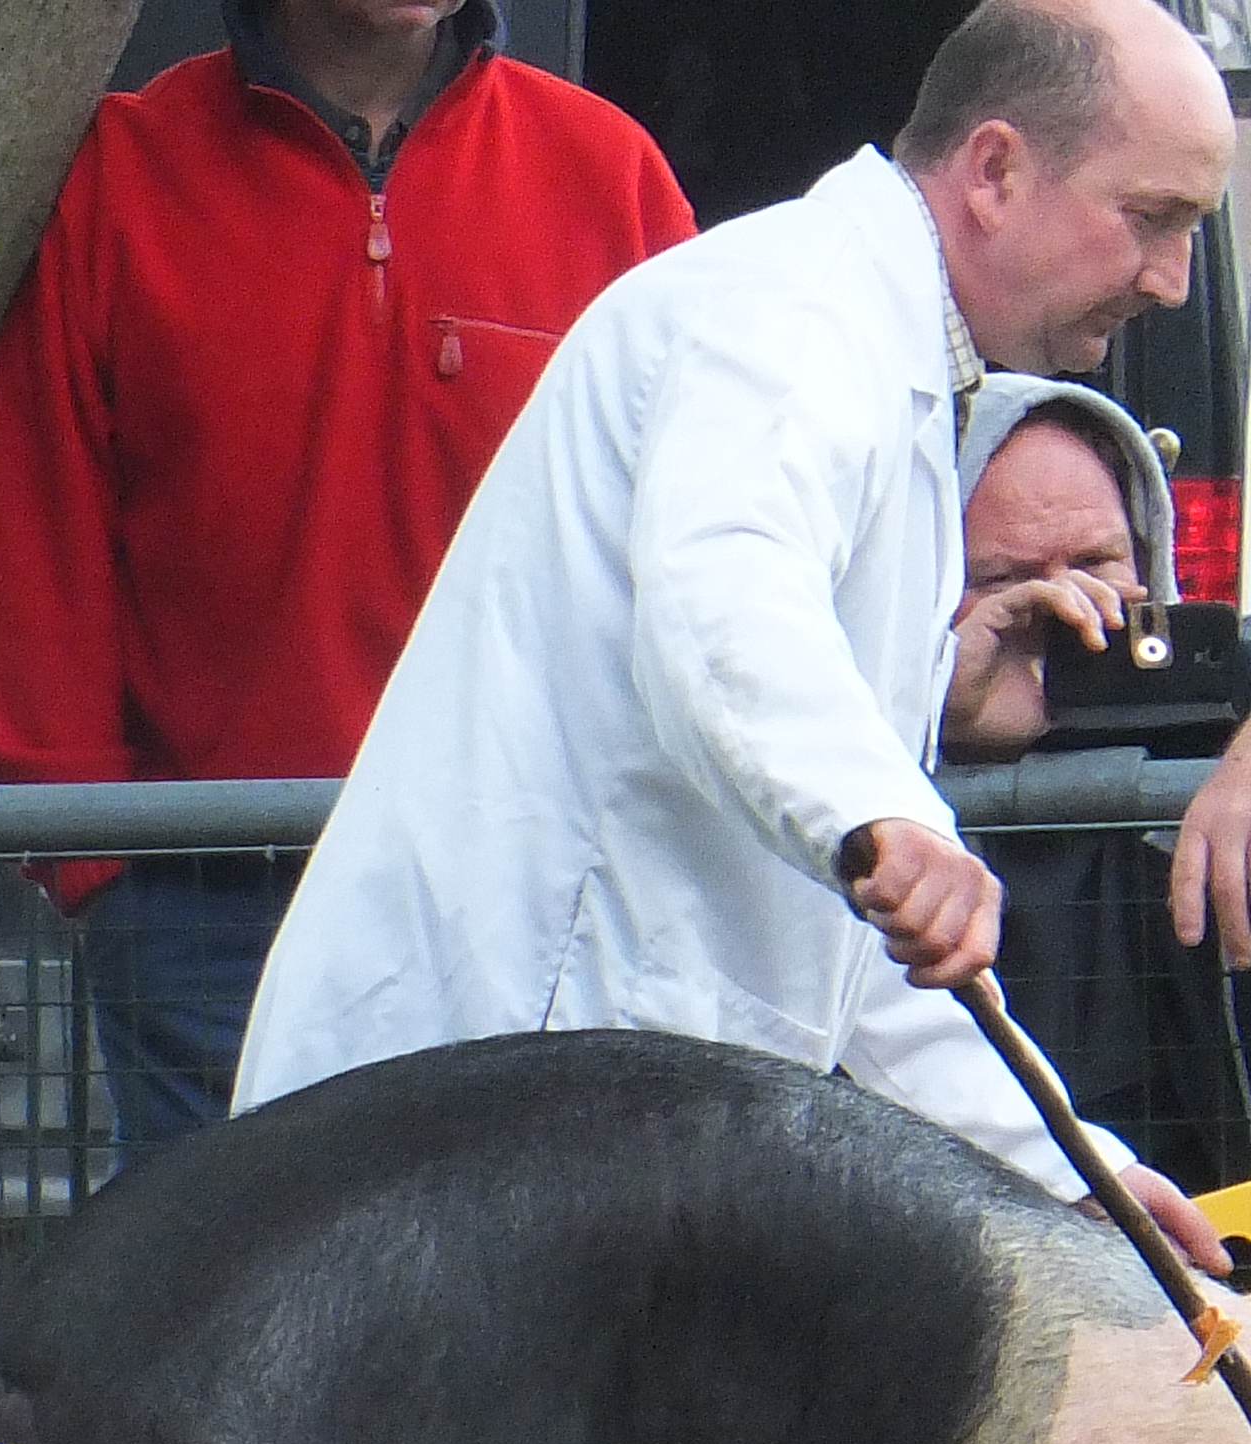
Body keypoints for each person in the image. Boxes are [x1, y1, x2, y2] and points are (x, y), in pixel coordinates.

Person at [236, 0, 1238, 1287]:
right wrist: (889, 816)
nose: (1172, 281)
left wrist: (1073, 1176)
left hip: (523, 1132)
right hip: (458, 1142)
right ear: (994, 170)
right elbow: (723, 596)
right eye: (1153, 219)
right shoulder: (794, 312)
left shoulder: (879, 354)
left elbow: (859, 951)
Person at [0, 0, 688, 1152]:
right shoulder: (118, 176)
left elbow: (688, 534)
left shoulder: (609, 175)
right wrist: (98, 865)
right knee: (230, 1317)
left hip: (522, 890)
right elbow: (37, 529)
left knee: (497, 1312)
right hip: (210, 904)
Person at [932, 376, 1251, 1187]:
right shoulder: (850, 743)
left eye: (1099, 561)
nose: (1067, 601)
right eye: (1003, 577)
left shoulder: (1213, 696)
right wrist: (932, 712)